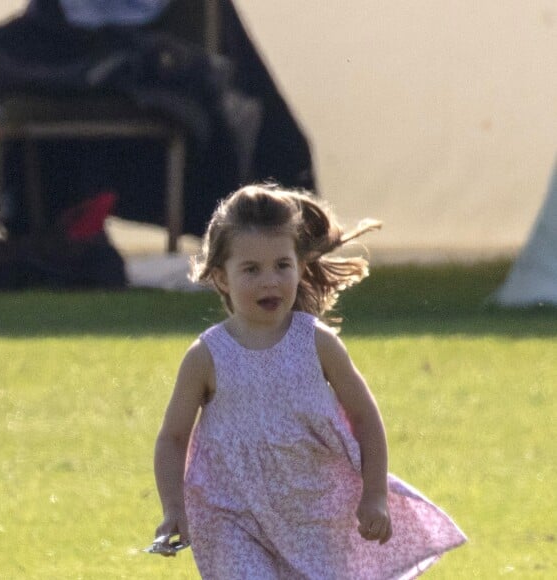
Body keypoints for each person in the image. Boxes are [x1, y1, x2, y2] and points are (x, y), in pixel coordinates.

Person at [153, 184, 466, 579]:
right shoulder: (206, 357)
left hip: (314, 514)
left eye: (282, 265)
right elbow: (173, 437)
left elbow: (364, 417)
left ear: (300, 267)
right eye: (251, 269)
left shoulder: (317, 344)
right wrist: (174, 507)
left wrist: (374, 495)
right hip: (229, 514)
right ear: (221, 277)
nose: (270, 281)